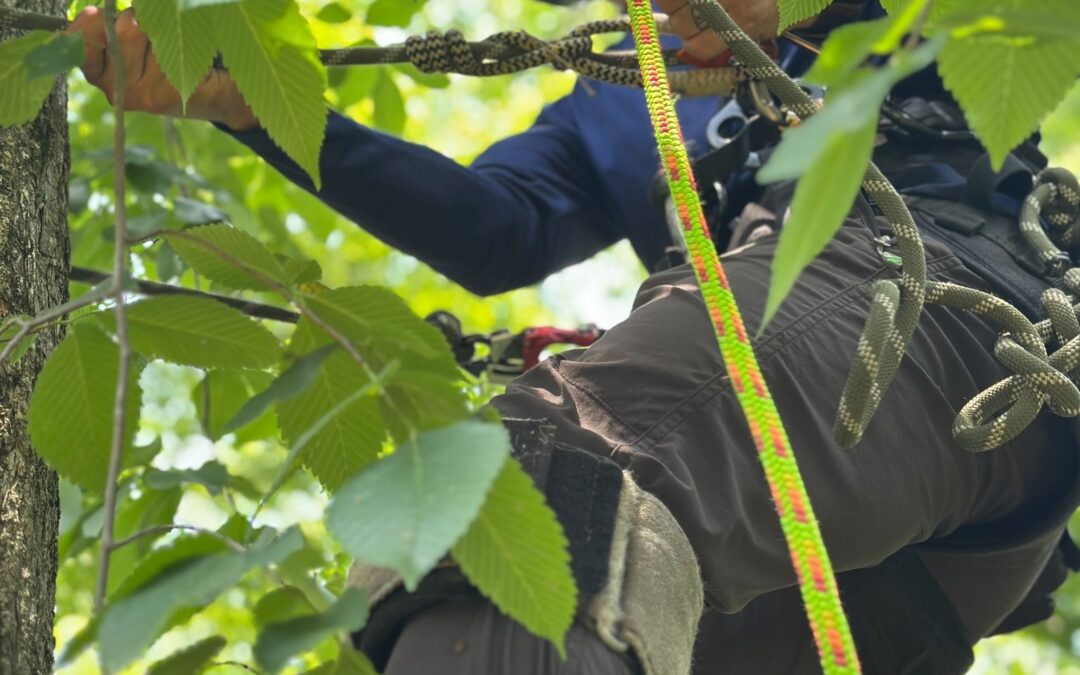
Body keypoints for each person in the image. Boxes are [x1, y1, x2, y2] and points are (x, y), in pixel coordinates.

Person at [70, 1, 1080, 673]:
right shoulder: (616, 96)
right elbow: (497, 228)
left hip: (933, 322)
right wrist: (260, 111)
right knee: (544, 589)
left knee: (531, 505)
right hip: (865, 542)